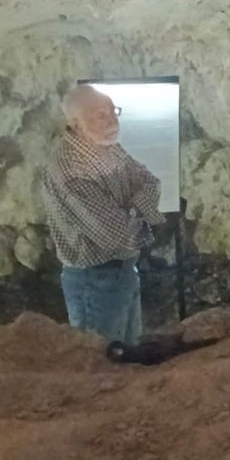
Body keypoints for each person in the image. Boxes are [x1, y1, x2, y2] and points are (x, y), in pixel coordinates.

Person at [41, 84, 165, 344]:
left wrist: (128, 212)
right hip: (94, 281)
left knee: (130, 358)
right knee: (102, 364)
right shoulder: (71, 169)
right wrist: (140, 214)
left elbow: (150, 181)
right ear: (76, 124)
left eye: (113, 111)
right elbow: (115, 235)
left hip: (123, 271)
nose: (112, 120)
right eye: (100, 115)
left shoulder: (106, 146)